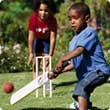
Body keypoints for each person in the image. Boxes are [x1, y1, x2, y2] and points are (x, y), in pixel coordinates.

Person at [48, 2, 110, 110]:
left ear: (86, 18)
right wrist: (58, 71)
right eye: (70, 19)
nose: (72, 22)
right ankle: (88, 106)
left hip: (99, 71)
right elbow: (75, 63)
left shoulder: (89, 32)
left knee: (81, 88)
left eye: (75, 18)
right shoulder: (73, 41)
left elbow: (79, 51)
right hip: (88, 75)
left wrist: (62, 59)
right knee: (80, 93)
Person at [27, 0, 57, 79]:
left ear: (50, 10)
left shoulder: (52, 20)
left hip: (47, 40)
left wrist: (50, 55)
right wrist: (30, 53)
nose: (43, 13)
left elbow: (53, 38)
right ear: (37, 9)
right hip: (37, 40)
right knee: (36, 62)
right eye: (41, 10)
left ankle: (47, 83)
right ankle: (35, 82)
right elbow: (31, 37)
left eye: (46, 11)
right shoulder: (32, 19)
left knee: (47, 62)